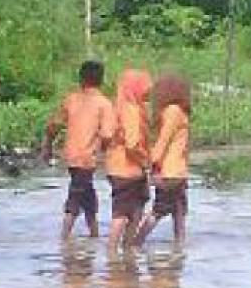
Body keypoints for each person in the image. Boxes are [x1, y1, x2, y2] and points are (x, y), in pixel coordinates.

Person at [42, 60, 115, 240]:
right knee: (76, 196)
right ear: (101, 80)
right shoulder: (104, 104)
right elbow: (107, 134)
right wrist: (103, 153)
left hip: (71, 156)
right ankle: (64, 237)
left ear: (81, 79)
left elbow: (53, 125)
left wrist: (48, 147)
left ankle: (94, 234)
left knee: (86, 195)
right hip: (87, 158)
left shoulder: (71, 100)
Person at [133, 75, 191, 248]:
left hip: (175, 171)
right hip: (172, 172)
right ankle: (135, 243)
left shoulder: (171, 111)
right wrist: (152, 164)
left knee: (179, 210)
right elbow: (163, 141)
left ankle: (179, 248)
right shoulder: (175, 111)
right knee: (161, 210)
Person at [105, 69, 152, 255]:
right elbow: (132, 144)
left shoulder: (117, 107)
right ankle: (115, 251)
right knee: (123, 213)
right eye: (144, 90)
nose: (147, 94)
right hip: (129, 168)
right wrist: (145, 161)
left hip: (116, 167)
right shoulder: (131, 110)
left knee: (133, 209)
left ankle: (126, 250)